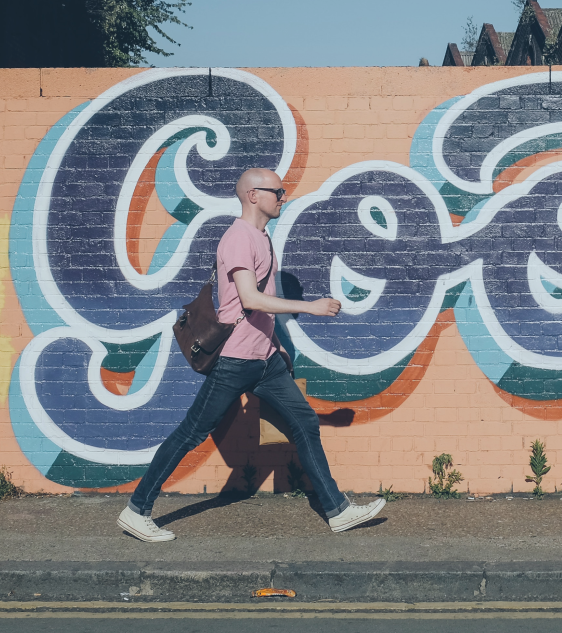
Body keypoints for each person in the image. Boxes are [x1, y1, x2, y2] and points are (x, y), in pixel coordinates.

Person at [116, 168, 386, 542]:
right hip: (235, 360)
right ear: (253, 195)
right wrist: (311, 307)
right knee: (192, 433)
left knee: (304, 422)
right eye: (278, 191)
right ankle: (137, 510)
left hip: (264, 361)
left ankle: (337, 511)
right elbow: (250, 299)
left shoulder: (261, 237)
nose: (283, 196)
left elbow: (257, 309)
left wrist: (273, 345)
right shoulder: (238, 238)